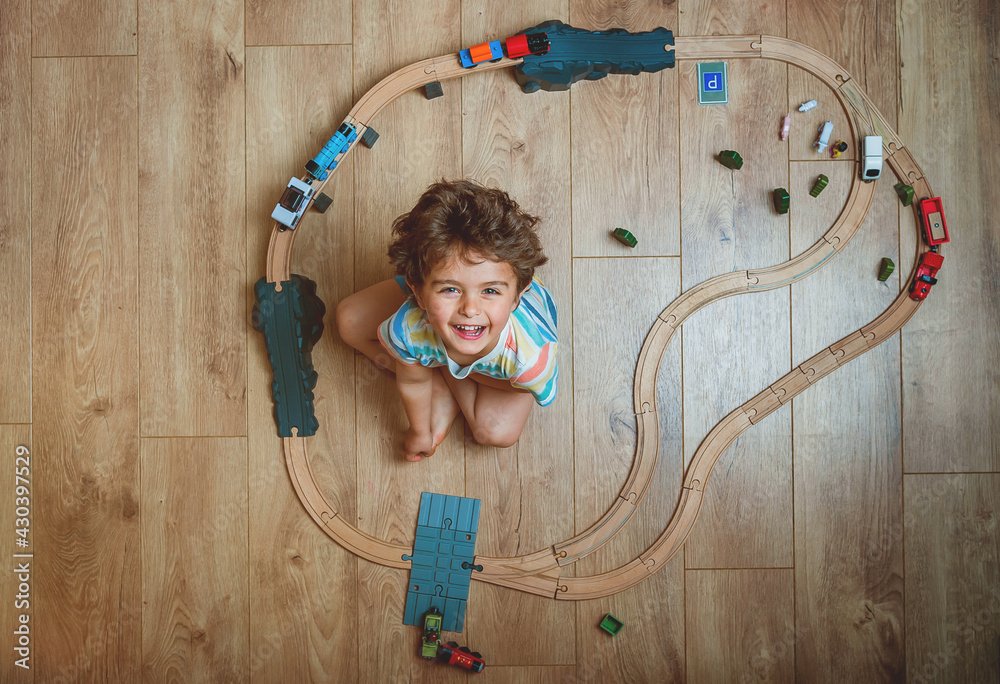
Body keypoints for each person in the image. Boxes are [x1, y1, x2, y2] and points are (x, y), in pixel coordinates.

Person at [335, 179, 558, 461]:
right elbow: (412, 384)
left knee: (495, 432)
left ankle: (437, 368)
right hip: (433, 310)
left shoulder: (532, 360)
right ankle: (432, 370)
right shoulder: (408, 327)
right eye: (451, 289)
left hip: (502, 368)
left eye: (490, 291)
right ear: (415, 290)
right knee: (348, 322)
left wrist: (456, 368)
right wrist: (420, 432)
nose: (470, 308)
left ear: (517, 298)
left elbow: (517, 386)